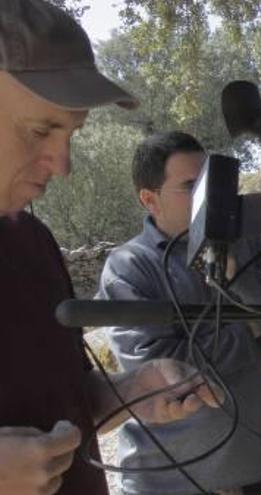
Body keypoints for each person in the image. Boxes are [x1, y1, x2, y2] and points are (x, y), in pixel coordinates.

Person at [0, 2, 223, 495]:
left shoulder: (33, 243)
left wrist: (131, 393)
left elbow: (65, 406)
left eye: (71, 134)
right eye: (40, 130)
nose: (62, 165)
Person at [96, 131, 261, 495]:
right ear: (150, 200)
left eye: (209, 183)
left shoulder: (248, 244)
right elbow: (162, 377)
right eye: (189, 186)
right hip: (169, 487)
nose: (208, 197)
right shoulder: (129, 268)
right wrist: (252, 328)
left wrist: (236, 279)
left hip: (259, 477)